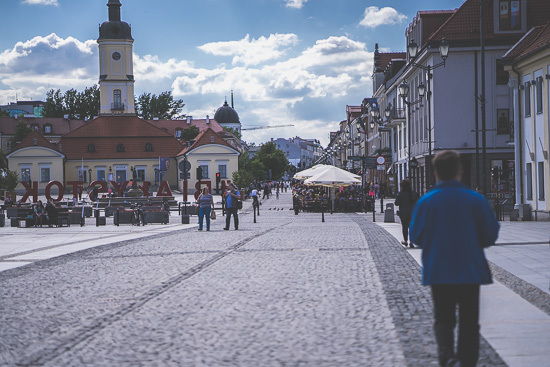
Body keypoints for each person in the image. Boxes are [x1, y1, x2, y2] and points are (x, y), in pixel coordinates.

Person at [410, 150, 499, 367]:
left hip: (439, 269)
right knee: (469, 322)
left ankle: (447, 358)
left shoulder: (426, 202)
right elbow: (490, 234)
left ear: (436, 173)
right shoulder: (476, 200)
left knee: (443, 319)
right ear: (460, 171)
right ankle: (468, 362)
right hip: (470, 269)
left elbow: (417, 237)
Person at [395, 178, 419, 248]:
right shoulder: (414, 193)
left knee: (404, 227)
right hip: (413, 212)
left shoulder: (400, 194)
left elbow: (396, 203)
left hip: (404, 213)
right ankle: (412, 241)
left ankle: (405, 240)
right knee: (412, 227)